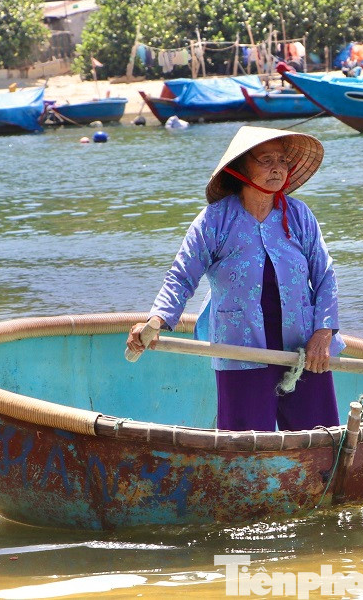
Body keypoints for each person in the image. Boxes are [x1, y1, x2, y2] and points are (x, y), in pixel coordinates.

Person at [126, 126, 343, 432]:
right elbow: (181, 276)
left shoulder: (298, 215)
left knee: (322, 442)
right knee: (245, 448)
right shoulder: (215, 220)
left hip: (304, 347)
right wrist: (156, 321)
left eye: (282, 161)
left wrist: (323, 333)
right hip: (240, 349)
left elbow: (325, 275)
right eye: (266, 160)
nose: (277, 168)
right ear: (241, 168)